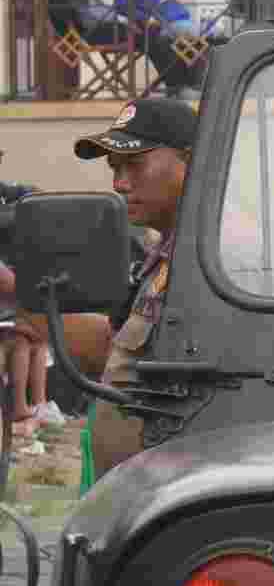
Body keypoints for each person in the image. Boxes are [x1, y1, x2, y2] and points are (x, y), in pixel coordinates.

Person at [40, 99, 198, 476]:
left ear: (192, 161)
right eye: (115, 167)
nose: (119, 183)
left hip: (170, 492)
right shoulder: (168, 252)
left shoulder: (216, 256)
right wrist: (31, 295)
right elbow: (114, 355)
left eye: (134, 164)